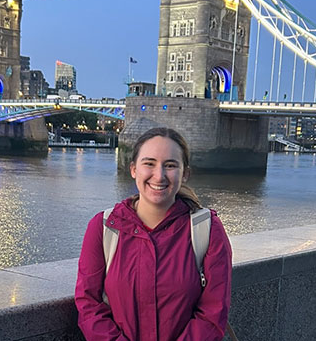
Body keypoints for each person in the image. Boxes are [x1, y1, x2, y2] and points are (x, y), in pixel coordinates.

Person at [75, 127, 232, 341]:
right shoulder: (103, 227)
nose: (159, 176)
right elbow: (88, 304)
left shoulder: (208, 229)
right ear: (133, 169)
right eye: (149, 163)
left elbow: (213, 312)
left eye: (170, 165)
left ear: (185, 173)